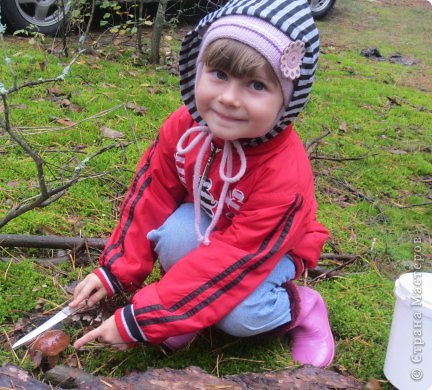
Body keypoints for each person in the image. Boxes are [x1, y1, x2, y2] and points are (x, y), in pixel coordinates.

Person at [69, 0, 335, 368]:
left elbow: (235, 261)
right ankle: (186, 311)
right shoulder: (184, 128)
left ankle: (302, 308)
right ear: (198, 69)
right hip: (214, 225)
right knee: (173, 235)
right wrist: (115, 271)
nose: (228, 98)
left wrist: (142, 319)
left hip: (268, 250)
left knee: (240, 314)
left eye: (256, 85)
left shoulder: (283, 174)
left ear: (287, 101)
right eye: (219, 75)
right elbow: (150, 197)